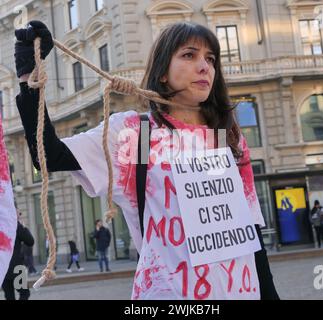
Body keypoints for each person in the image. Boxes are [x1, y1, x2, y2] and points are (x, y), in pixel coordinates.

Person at [14, 21, 279, 299]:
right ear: (163, 72)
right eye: (189, 55)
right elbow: (49, 155)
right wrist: (28, 76)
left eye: (210, 59)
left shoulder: (228, 137)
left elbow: (248, 229)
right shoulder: (134, 134)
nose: (205, 67)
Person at [0, 114, 17, 285]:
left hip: (16, 266)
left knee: (21, 292)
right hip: (11, 265)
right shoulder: (11, 222)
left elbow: (30, 241)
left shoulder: (12, 224)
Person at [1, 213, 34, 300]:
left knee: (9, 296)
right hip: (17, 268)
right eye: (18, 213)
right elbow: (30, 241)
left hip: (2, 268)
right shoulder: (14, 225)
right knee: (25, 293)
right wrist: (22, 225)